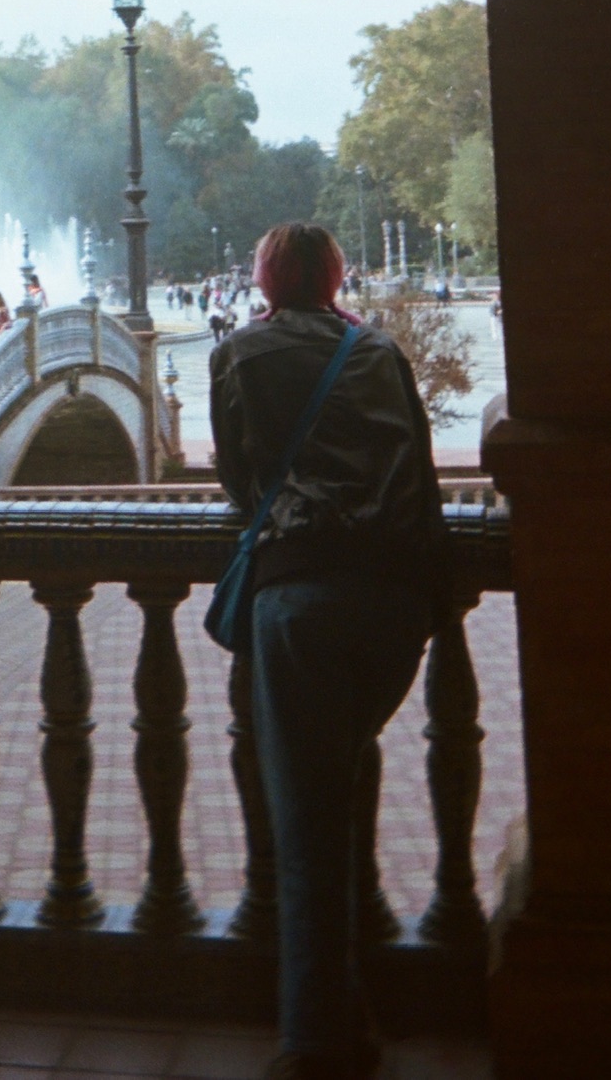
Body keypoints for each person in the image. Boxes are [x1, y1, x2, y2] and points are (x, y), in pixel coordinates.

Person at [210, 222, 445, 1077]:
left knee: (304, 819)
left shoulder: (241, 354)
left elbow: (241, 482)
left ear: (265, 278)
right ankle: (354, 1009)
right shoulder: (378, 351)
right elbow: (416, 470)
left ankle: (312, 1043)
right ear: (338, 276)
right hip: (395, 603)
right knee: (336, 783)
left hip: (301, 596)